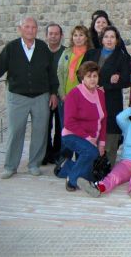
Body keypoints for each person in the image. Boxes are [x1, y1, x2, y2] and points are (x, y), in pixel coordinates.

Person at [0, 17, 58, 179]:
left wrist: (53, 93)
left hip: (41, 96)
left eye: (33, 27)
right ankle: (10, 166)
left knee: (40, 131)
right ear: (20, 29)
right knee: (15, 131)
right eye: (27, 27)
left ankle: (34, 164)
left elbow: (52, 73)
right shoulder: (11, 48)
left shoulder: (43, 48)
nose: (30, 30)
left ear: (36, 30)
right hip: (17, 97)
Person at [78, 98, 131, 198]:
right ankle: (98, 188)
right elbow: (119, 118)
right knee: (114, 175)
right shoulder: (129, 126)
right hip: (126, 162)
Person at [82, 26, 131, 166]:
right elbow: (80, 75)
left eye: (112, 37)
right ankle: (88, 162)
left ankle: (107, 164)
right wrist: (105, 80)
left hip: (111, 100)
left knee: (110, 132)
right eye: (106, 37)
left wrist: (107, 85)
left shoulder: (123, 57)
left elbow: (126, 80)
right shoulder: (91, 54)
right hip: (90, 98)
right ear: (101, 39)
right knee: (90, 129)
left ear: (117, 40)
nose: (109, 40)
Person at [57, 62, 107, 191]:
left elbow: (103, 120)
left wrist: (101, 143)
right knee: (91, 152)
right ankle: (71, 181)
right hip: (72, 135)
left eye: (95, 76)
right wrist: (87, 137)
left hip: (91, 139)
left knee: (90, 177)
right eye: (89, 76)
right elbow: (69, 122)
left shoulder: (100, 94)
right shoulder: (74, 94)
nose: (92, 79)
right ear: (82, 77)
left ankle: (66, 167)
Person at [57, 26, 92, 127]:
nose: (78, 38)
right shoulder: (66, 53)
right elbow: (59, 73)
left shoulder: (91, 53)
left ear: (86, 37)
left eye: (81, 35)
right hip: (66, 97)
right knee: (66, 128)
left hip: (84, 98)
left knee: (82, 128)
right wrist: (62, 94)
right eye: (75, 35)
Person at [43, 23, 66, 165]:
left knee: (60, 125)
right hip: (44, 94)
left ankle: (58, 154)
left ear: (61, 36)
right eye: (50, 33)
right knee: (44, 125)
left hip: (61, 94)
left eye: (56, 33)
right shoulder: (41, 51)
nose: (53, 36)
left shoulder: (65, 52)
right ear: (46, 35)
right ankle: (46, 153)